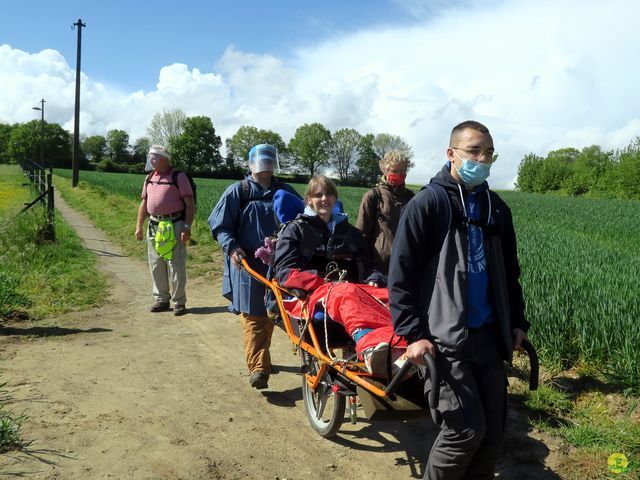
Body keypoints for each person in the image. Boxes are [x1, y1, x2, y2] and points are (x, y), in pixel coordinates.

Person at [388, 120, 529, 480]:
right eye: (474, 151)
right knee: (463, 432)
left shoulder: (496, 208)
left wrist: (516, 322)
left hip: (488, 338)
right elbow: (401, 276)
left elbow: (509, 273)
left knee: (493, 436)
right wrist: (413, 333)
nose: (482, 159)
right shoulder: (429, 204)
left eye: (489, 153)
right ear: (451, 154)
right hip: (443, 341)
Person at [273, 175, 406, 374]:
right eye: (318, 195)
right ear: (309, 199)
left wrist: (373, 278)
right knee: (345, 293)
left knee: (389, 297)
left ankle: (401, 346)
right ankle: (370, 349)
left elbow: (366, 265)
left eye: (328, 194)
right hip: (313, 294)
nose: (324, 198)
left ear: (335, 198)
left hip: (350, 289)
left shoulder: (350, 233)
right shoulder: (295, 230)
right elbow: (284, 272)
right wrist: (322, 282)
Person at [209, 144, 300, 390]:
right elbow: (220, 225)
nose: (265, 165)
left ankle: (262, 358)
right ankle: (258, 368)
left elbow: (302, 219)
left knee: (273, 311)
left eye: (269, 160)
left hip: (280, 262)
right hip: (248, 263)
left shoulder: (285, 191)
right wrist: (233, 247)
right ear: (250, 164)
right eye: (260, 160)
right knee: (253, 315)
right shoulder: (239, 191)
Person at [135, 145, 194, 316]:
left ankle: (179, 302)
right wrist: (139, 226)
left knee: (175, 263)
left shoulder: (178, 177)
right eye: (150, 157)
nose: (151, 161)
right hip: (154, 224)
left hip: (174, 223)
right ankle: (161, 299)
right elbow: (144, 204)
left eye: (154, 157)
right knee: (156, 263)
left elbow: (190, 204)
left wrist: (186, 227)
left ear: (164, 159)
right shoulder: (149, 177)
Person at [356, 150, 414, 274]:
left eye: (403, 171)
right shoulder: (373, 196)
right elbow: (361, 233)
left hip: (406, 264)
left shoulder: (411, 197)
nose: (399, 174)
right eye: (395, 171)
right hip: (379, 266)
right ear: (385, 170)